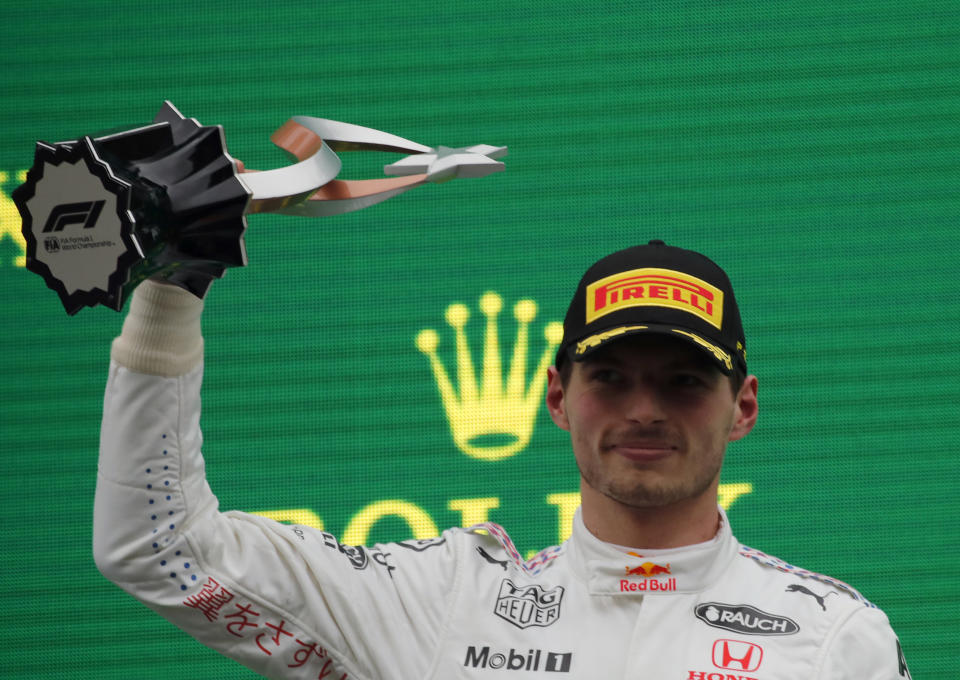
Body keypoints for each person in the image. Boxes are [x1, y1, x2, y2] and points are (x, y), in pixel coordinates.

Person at [94, 240, 911, 679]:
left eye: (686, 381)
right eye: (611, 377)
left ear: (745, 408)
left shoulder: (833, 640)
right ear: (557, 396)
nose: (645, 409)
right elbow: (161, 551)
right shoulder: (446, 605)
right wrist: (172, 289)